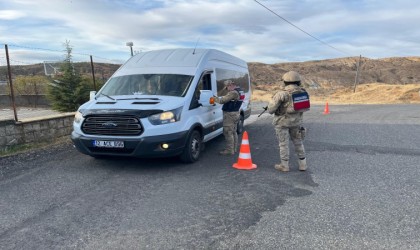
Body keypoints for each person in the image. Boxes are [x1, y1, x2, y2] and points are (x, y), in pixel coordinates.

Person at [267, 71, 308, 172]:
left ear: (285, 81)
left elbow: (270, 110)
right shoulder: (303, 92)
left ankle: (284, 166)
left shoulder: (281, 94)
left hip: (282, 123)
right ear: (298, 81)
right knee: (298, 142)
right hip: (297, 122)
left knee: (283, 144)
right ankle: (303, 165)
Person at [214, 80, 243, 155]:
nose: (227, 89)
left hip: (230, 115)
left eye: (227, 87)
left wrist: (213, 98)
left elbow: (222, 100)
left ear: (230, 85)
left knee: (228, 132)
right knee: (233, 132)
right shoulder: (239, 90)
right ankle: (234, 148)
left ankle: (229, 150)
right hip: (235, 114)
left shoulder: (233, 92)